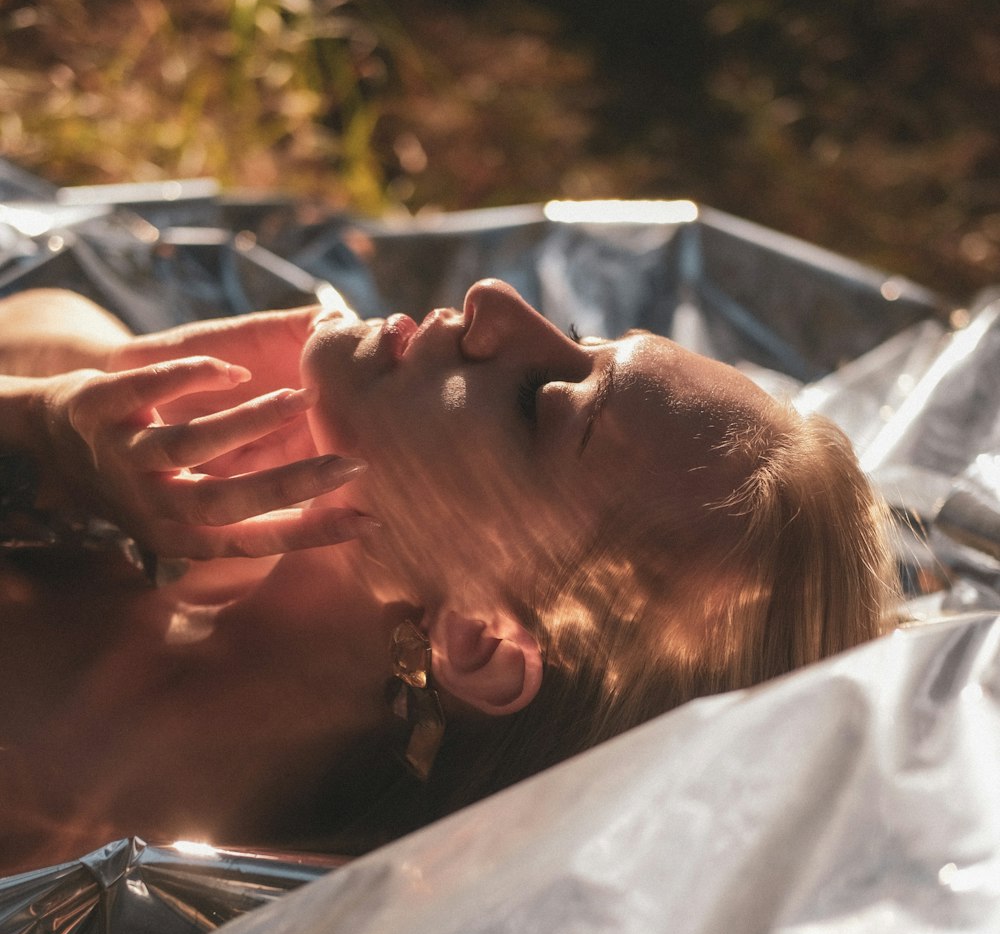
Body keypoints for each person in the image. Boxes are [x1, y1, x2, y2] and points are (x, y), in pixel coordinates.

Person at [0, 281, 900, 874]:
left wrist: (43, 436)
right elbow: (45, 310)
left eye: (536, 403)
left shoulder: (108, 839)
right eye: (583, 337)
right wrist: (104, 393)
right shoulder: (183, 506)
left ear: (480, 636)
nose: (496, 302)